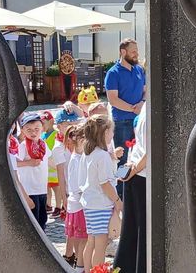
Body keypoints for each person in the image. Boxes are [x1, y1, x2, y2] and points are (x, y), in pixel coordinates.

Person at [78, 114, 122, 273]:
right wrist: (117, 200)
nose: (113, 135)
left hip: (89, 203)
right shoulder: (101, 156)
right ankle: (98, 271)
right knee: (101, 246)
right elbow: (105, 184)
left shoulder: (88, 152)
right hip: (101, 205)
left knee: (91, 242)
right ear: (104, 133)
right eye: (111, 131)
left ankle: (87, 269)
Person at [104, 39, 147, 196]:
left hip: (138, 120)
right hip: (122, 121)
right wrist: (132, 109)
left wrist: (142, 103)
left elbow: (145, 91)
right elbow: (112, 99)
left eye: (137, 50)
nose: (137, 54)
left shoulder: (139, 70)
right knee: (122, 158)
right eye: (133, 51)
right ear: (123, 52)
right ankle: (121, 196)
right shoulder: (113, 73)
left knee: (138, 155)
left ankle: (133, 191)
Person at [115, 103, 148, 273]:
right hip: (140, 174)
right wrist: (134, 168)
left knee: (133, 233)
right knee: (140, 233)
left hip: (136, 173)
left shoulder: (146, 106)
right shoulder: (148, 106)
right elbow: (152, 148)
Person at [16, 113, 52, 231]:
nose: (33, 133)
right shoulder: (22, 147)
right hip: (29, 190)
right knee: (32, 223)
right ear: (23, 131)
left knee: (42, 221)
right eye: (29, 130)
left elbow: (49, 161)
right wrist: (28, 163)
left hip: (41, 188)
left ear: (42, 128)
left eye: (36, 129)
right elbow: (13, 164)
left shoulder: (43, 145)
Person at [63, 125, 88, 271]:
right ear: (76, 140)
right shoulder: (76, 159)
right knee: (82, 239)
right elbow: (75, 185)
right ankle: (80, 267)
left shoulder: (80, 157)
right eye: (83, 139)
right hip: (79, 203)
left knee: (81, 239)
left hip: (78, 203)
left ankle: (80, 265)